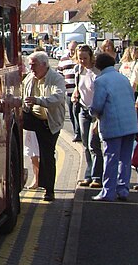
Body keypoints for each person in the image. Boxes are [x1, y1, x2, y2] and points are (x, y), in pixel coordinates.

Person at [89, 52, 138, 201]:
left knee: (111, 157)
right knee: (125, 159)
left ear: (98, 65)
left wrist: (91, 112)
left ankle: (108, 191)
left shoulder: (101, 80)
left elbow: (97, 105)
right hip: (130, 123)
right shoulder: (123, 78)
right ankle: (123, 189)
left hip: (113, 124)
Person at [21, 51, 66, 202]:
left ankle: (49, 190)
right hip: (33, 118)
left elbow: (58, 98)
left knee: (47, 155)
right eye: (30, 65)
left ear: (44, 65)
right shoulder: (29, 78)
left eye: (34, 65)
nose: (31, 68)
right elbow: (22, 96)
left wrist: (38, 100)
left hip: (49, 122)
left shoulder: (56, 78)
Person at [71, 44, 103, 189]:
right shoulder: (78, 70)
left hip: (96, 111)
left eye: (85, 58)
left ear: (91, 57)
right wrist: (75, 92)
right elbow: (79, 86)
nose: (82, 61)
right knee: (85, 145)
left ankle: (97, 176)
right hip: (83, 109)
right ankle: (88, 175)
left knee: (93, 145)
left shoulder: (97, 72)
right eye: (80, 58)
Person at [58, 42, 82, 142]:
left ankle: (79, 133)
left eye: (74, 49)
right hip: (68, 91)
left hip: (79, 92)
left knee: (77, 112)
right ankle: (76, 131)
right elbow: (59, 74)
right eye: (70, 49)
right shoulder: (63, 59)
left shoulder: (79, 59)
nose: (72, 51)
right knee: (72, 114)